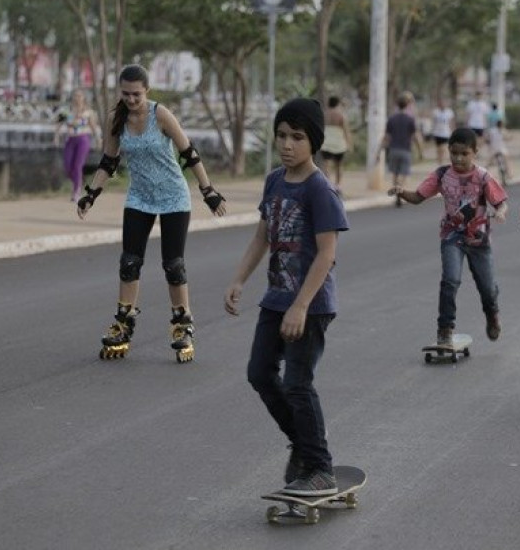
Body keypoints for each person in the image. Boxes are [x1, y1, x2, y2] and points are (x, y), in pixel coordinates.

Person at [224, 97, 349, 496]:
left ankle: (321, 467)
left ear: (314, 142)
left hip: (309, 305)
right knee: (259, 373)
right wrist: (239, 279)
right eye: (281, 135)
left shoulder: (321, 190)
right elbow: (262, 236)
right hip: (276, 298)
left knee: (297, 383)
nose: (287, 144)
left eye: (297, 137)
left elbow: (327, 254)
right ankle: (303, 441)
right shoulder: (275, 181)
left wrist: (301, 306)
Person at [76, 65, 226, 362]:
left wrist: (208, 191)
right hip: (140, 198)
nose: (131, 100)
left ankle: (182, 327)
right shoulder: (116, 118)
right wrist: (90, 194)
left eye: (137, 94)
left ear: (147, 91)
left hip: (173, 197)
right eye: (126, 94)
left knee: (173, 265)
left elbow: (189, 153)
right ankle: (123, 324)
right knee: (129, 262)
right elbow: (108, 161)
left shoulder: (161, 114)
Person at [389, 127, 508, 346]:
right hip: (452, 237)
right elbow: (418, 197)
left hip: (479, 240)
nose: (458, 158)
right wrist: (402, 192)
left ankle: (492, 314)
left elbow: (501, 202)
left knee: (488, 288)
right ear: (448, 150)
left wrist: (500, 212)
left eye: (464, 153)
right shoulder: (442, 175)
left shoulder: (482, 177)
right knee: (450, 280)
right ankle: (445, 328)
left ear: (475, 152)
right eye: (454, 153)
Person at [376, 91, 423, 207]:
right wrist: (420, 151)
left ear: (397, 104)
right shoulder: (410, 119)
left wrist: (379, 151)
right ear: (407, 105)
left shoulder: (391, 119)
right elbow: (415, 136)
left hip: (393, 150)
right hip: (406, 150)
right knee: (403, 174)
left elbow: (386, 137)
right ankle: (399, 191)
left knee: (395, 174)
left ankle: (396, 191)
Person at [55, 89, 101, 202]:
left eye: (80, 96)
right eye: (75, 96)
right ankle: (78, 181)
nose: (77, 98)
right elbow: (59, 123)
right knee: (67, 166)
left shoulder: (88, 112)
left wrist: (98, 139)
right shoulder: (66, 111)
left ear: (83, 98)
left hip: (83, 140)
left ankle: (76, 191)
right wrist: (56, 136)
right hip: (70, 140)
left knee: (77, 166)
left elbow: (93, 126)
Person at [319, 95, 352, 195]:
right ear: (337, 104)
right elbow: (346, 131)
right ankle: (338, 186)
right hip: (339, 144)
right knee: (339, 165)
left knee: (326, 165)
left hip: (326, 143)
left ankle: (327, 185)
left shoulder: (324, 115)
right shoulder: (341, 115)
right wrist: (349, 144)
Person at [429, 98, 455, 166]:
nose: (443, 104)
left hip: (446, 132)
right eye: (441, 103)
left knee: (443, 147)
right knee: (438, 148)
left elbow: (451, 122)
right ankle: (439, 160)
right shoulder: (436, 112)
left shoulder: (449, 112)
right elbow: (433, 122)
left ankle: (442, 159)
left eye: (444, 103)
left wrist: (452, 131)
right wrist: (432, 130)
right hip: (437, 132)